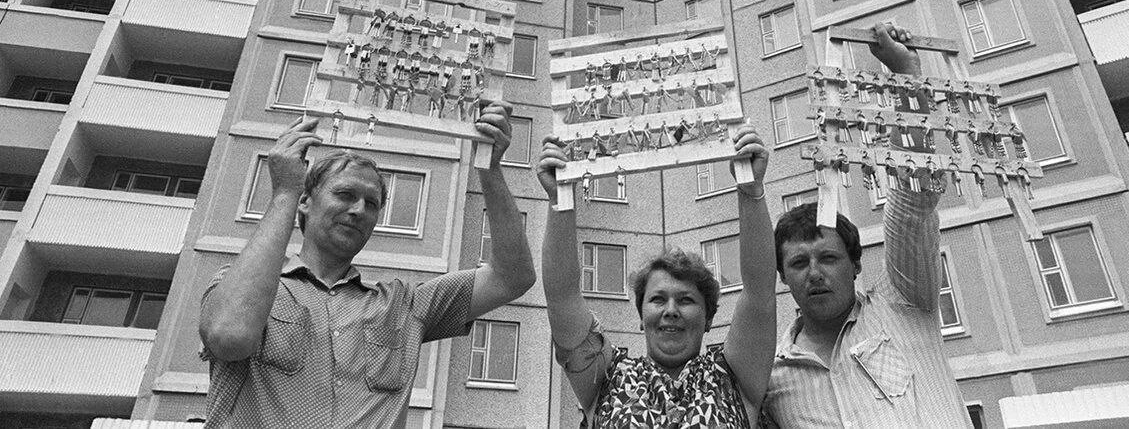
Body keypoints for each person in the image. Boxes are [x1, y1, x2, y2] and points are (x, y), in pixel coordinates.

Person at [199, 102, 535, 428]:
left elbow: (512, 277)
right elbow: (229, 335)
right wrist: (284, 192)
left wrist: (490, 169)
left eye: (371, 203)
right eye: (345, 194)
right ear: (305, 202)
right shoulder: (241, 285)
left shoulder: (403, 305)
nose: (359, 209)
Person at [761, 23, 972, 427]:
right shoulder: (775, 382)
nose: (815, 273)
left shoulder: (904, 304)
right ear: (783, 277)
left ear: (856, 264)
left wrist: (906, 79)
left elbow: (912, 203)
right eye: (799, 263)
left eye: (828, 258)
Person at [537, 126, 777, 427]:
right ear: (641, 316)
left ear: (709, 318)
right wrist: (559, 198)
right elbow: (563, 298)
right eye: (658, 299)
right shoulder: (607, 377)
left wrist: (751, 191)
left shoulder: (735, 378)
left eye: (686, 300)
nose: (671, 310)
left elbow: (759, 292)